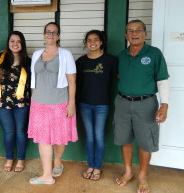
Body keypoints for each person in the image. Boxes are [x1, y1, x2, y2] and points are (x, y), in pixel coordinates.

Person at [114, 20, 169, 193]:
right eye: (130, 31)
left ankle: (142, 175)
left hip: (146, 104)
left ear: (145, 33)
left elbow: (162, 80)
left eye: (138, 30)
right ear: (126, 35)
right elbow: (118, 75)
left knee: (145, 142)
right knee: (124, 139)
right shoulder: (121, 55)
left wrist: (164, 104)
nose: (134, 33)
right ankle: (128, 171)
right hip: (122, 103)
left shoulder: (154, 54)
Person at [28, 22, 78, 185]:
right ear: (44, 35)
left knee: (59, 138)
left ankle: (57, 161)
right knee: (43, 139)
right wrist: (33, 100)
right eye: (48, 32)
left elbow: (72, 80)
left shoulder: (65, 54)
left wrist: (71, 103)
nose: (51, 35)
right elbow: (34, 80)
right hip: (39, 103)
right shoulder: (36, 54)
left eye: (54, 32)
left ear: (59, 36)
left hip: (59, 102)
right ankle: (47, 175)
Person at [76, 30, 118, 181]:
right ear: (86, 43)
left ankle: (98, 167)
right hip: (84, 104)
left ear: (101, 42)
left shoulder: (111, 60)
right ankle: (90, 165)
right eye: (89, 40)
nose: (92, 42)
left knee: (99, 136)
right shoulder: (81, 62)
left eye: (96, 40)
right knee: (89, 137)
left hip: (102, 105)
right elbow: (74, 82)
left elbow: (119, 78)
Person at [0, 31, 31, 173]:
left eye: (18, 41)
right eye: (12, 41)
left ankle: (21, 159)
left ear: (22, 44)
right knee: (9, 132)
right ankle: (9, 158)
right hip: (2, 103)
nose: (15, 44)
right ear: (8, 43)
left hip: (22, 103)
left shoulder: (28, 61)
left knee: (21, 132)